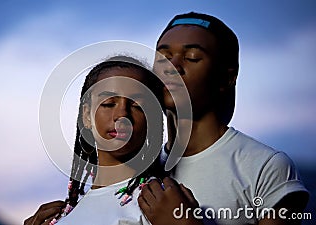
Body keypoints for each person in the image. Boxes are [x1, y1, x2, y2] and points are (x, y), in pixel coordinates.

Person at [138, 12, 309, 225]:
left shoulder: (267, 167)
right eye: (163, 57)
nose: (172, 66)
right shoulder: (142, 168)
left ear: (227, 78)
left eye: (192, 57)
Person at [24, 55, 166, 225]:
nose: (122, 115)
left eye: (137, 105)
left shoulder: (159, 203)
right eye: (108, 103)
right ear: (86, 116)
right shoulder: (64, 215)